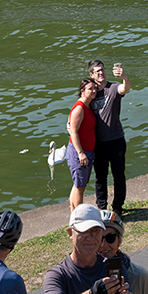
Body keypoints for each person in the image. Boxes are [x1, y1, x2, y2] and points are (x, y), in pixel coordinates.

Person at [87, 59, 131, 217]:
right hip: (98, 143)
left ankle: (118, 207)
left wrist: (125, 77)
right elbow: (80, 107)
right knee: (100, 177)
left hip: (116, 140)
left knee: (119, 175)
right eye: (97, 71)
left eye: (102, 70)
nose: (101, 73)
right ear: (91, 75)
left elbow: (124, 88)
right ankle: (102, 207)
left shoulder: (112, 88)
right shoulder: (90, 92)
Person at [66, 79, 99, 209]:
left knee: (78, 185)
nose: (94, 91)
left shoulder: (88, 106)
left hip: (87, 151)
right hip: (79, 152)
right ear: (82, 91)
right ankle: (78, 216)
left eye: (95, 88)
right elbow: (73, 132)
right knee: (80, 187)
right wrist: (80, 153)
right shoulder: (80, 108)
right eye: (90, 89)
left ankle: (74, 214)